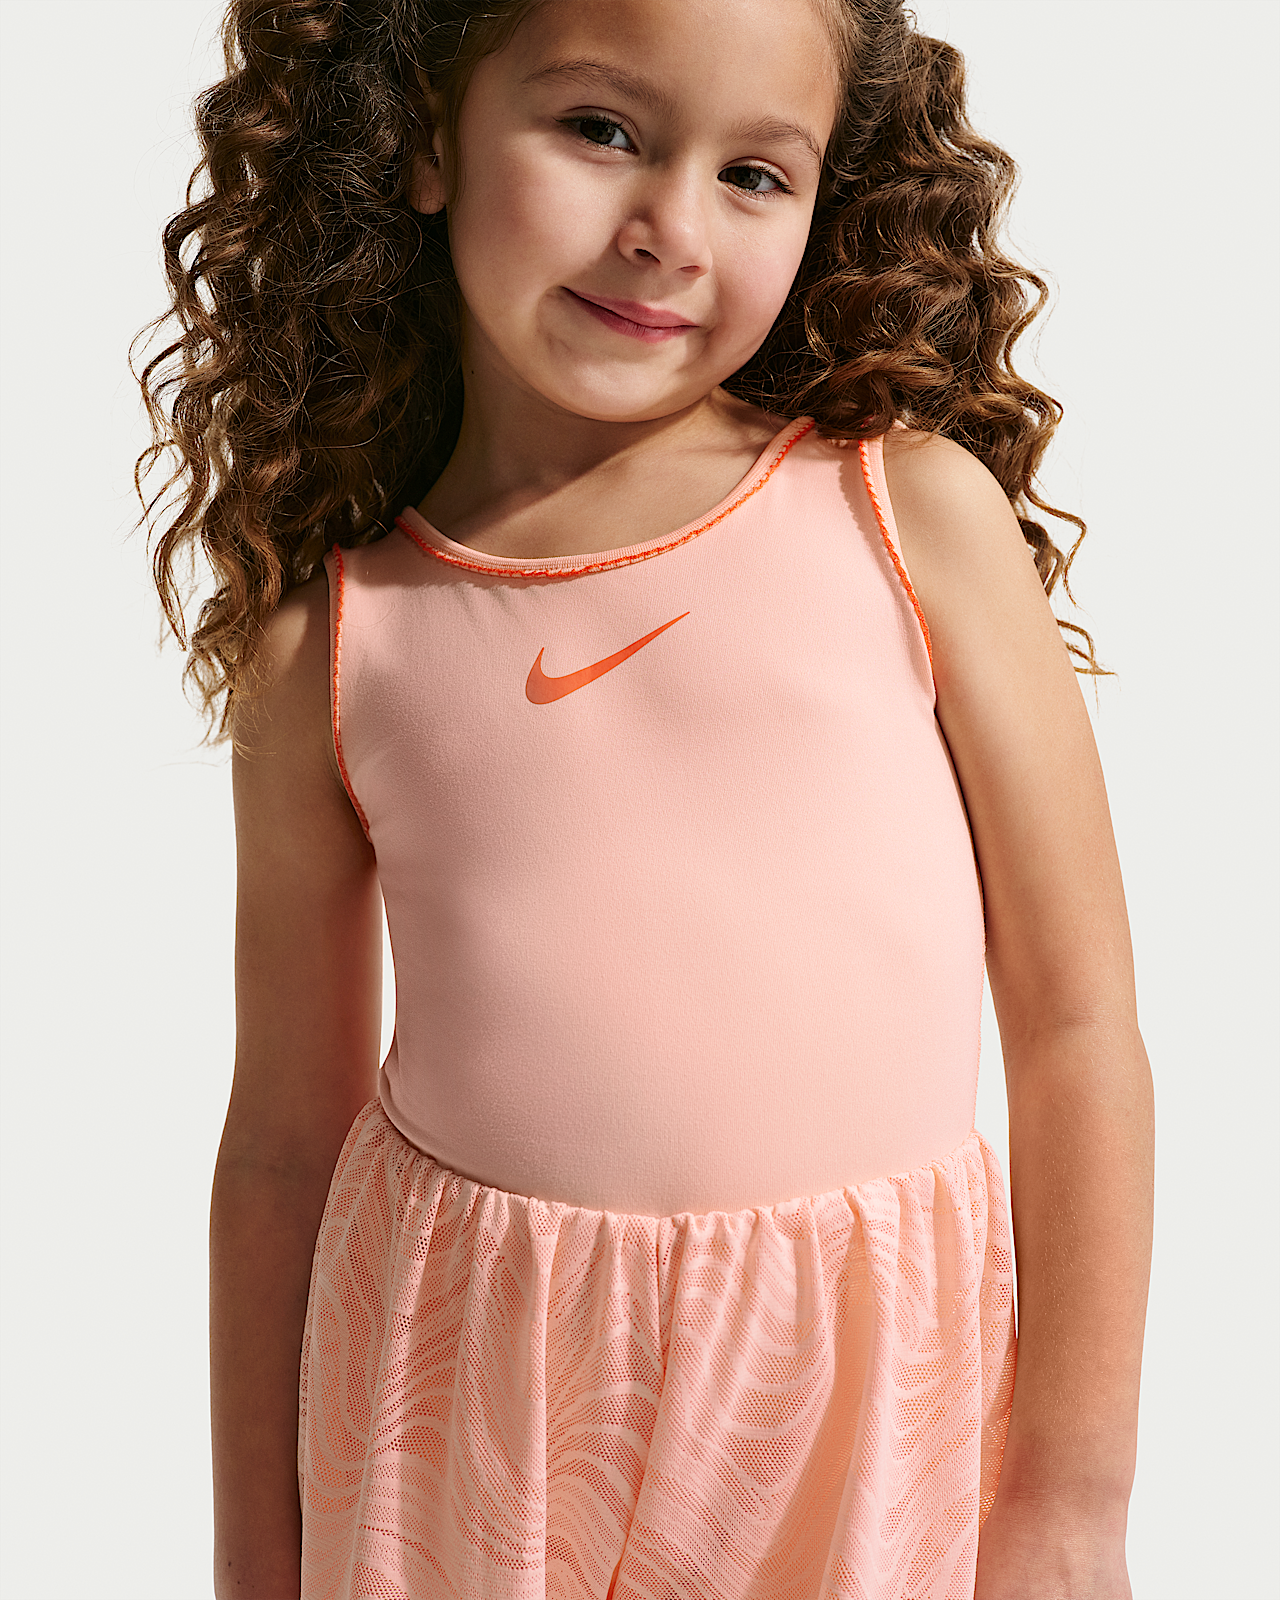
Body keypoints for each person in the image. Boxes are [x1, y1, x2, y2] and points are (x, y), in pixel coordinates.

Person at [138, 0, 1155, 1594]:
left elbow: (1077, 1022)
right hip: (464, 1409)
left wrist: (1071, 1504)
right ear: (424, 136)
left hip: (856, 1402)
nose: (670, 229)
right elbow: (281, 1141)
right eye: (601, 130)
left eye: (754, 173)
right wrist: (256, 1556)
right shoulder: (334, 647)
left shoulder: (908, 520)